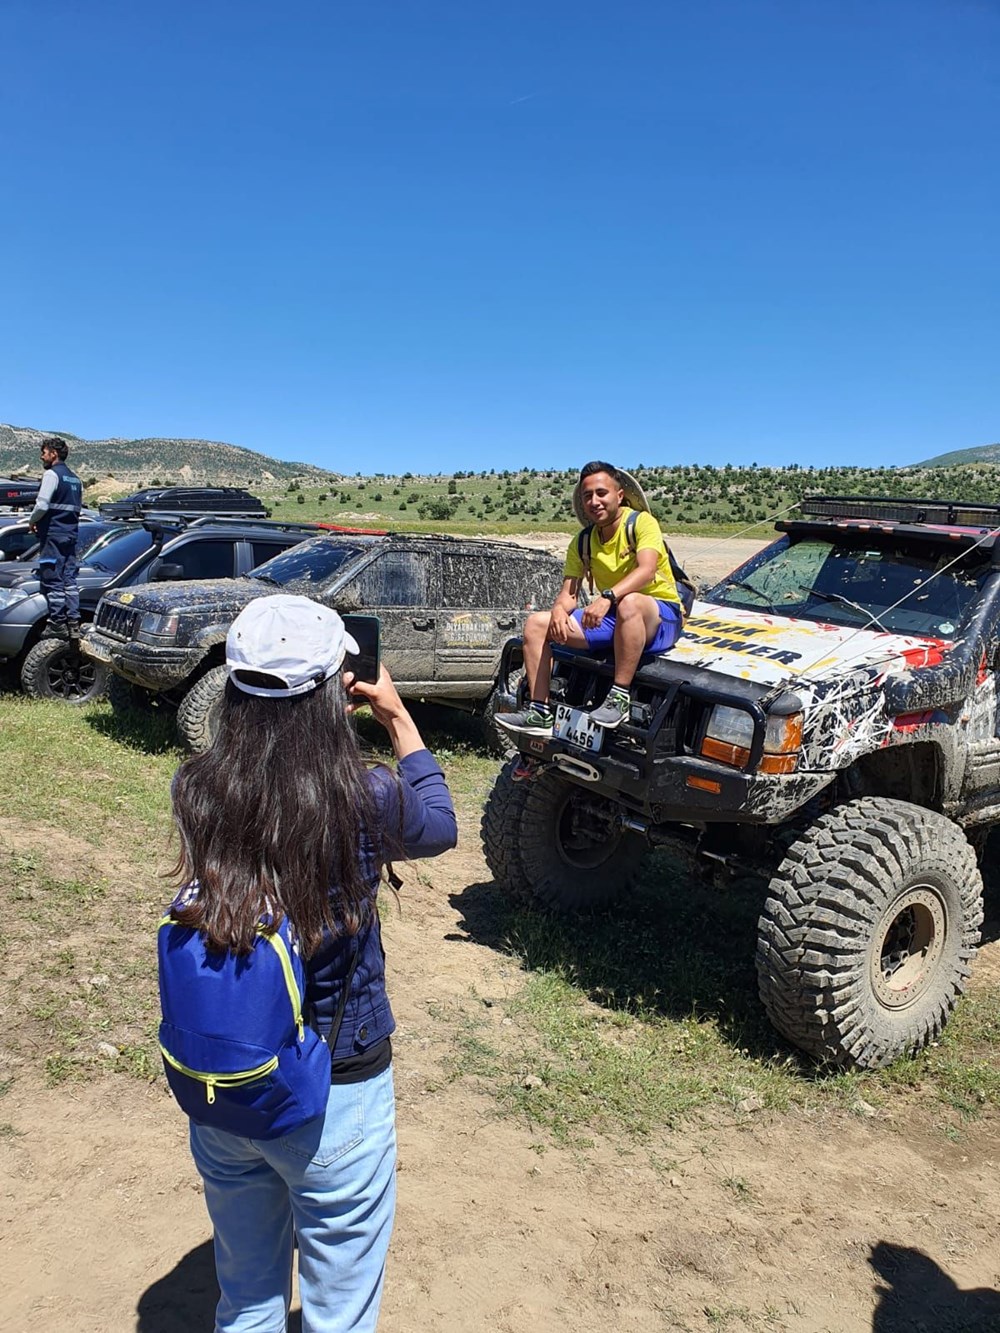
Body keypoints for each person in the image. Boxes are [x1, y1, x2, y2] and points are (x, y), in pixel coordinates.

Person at [169, 593, 457, 1333]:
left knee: (248, 1300)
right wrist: (395, 714)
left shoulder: (197, 788)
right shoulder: (365, 797)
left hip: (230, 1083)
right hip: (338, 1086)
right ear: (336, 690)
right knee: (339, 1311)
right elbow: (441, 824)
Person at [497, 460, 683, 734]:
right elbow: (569, 592)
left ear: (619, 496)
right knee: (538, 623)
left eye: (601, 493)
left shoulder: (642, 523)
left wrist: (608, 596)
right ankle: (539, 712)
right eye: (587, 496)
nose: (594, 501)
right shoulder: (583, 541)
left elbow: (646, 570)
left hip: (658, 615)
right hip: (614, 616)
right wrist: (560, 611)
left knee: (629, 603)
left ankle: (618, 698)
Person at [27, 436, 83, 639]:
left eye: (44, 452)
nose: (42, 456)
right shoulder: (75, 479)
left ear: (54, 453)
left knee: (53, 579)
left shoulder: (52, 475)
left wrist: (32, 521)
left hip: (53, 534)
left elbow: (42, 505)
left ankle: (57, 622)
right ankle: (74, 622)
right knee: (69, 579)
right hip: (70, 534)